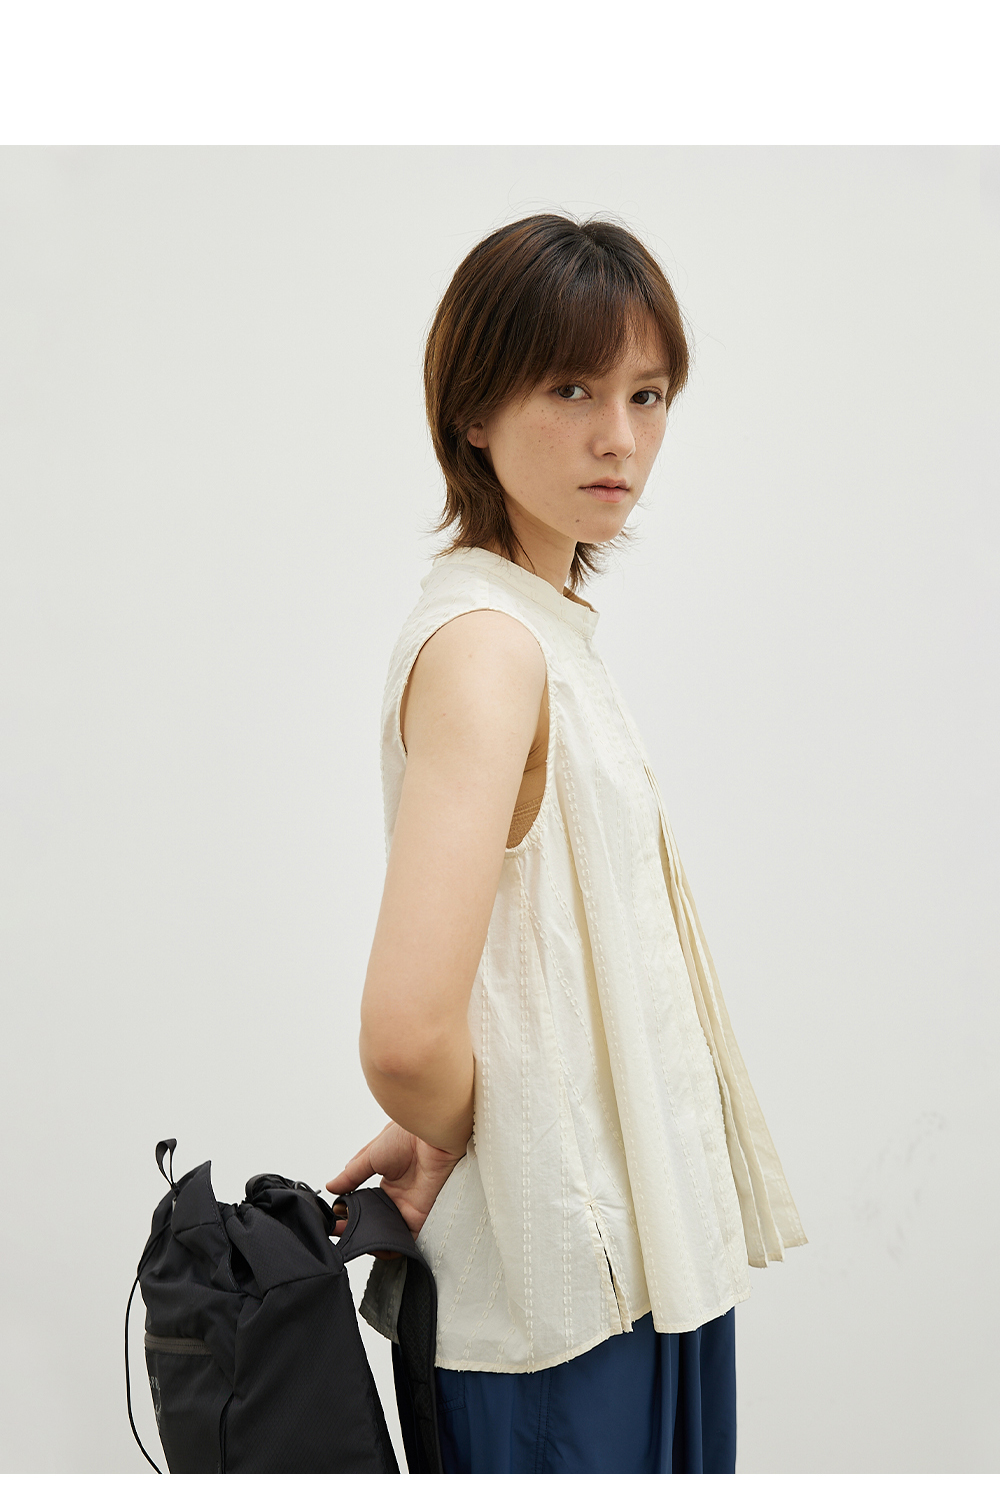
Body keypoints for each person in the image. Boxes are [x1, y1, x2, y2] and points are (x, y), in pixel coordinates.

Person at [327, 213, 807, 1474]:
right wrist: (463, 1124)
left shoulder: (537, 631)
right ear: (472, 413)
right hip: (562, 1311)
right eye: (572, 388)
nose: (620, 437)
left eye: (647, 395)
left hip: (631, 1270)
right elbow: (404, 1035)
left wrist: (456, 1117)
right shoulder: (490, 649)